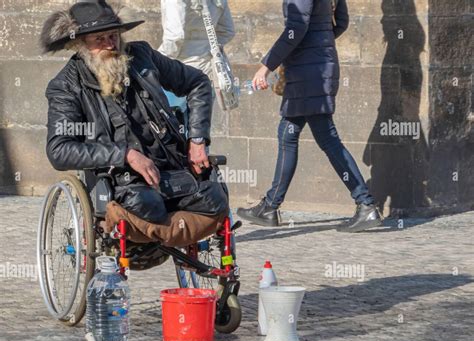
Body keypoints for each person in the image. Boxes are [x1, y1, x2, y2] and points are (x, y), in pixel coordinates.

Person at [41, 0, 228, 237]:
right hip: (121, 179)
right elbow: (59, 150)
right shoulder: (66, 86)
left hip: (170, 168)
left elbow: (197, 82)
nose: (111, 44)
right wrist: (124, 154)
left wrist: (198, 140)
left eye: (113, 36)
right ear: (80, 44)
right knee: (147, 204)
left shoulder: (142, 56)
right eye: (100, 39)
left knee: (214, 197)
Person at [236, 0, 382, 233]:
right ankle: (270, 207)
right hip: (317, 66)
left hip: (309, 71)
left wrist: (266, 66)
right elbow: (341, 22)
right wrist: (320, 43)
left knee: (326, 137)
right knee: (288, 133)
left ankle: (366, 204)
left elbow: (297, 27)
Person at [158, 0, 235, 81]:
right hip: (210, 68)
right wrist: (208, 48)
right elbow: (227, 31)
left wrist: (158, 59)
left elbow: (175, 37)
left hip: (182, 71)